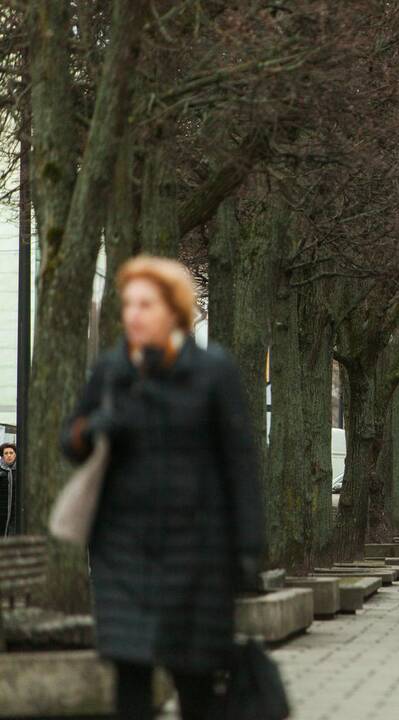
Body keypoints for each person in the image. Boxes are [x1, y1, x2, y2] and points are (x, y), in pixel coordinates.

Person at [61, 257, 264, 720]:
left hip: (198, 552)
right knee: (130, 677)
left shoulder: (213, 371)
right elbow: (69, 441)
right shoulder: (113, 369)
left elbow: (240, 463)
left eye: (145, 304)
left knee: (195, 679)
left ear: (174, 310)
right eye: (128, 304)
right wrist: (94, 428)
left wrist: (248, 546)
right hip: (123, 551)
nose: (133, 314)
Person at [0, 443, 17, 536]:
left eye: (11, 452)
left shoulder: (20, 470)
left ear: (15, 454)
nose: (9, 455)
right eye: (6, 453)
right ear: (2, 456)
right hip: (2, 513)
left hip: (15, 515)